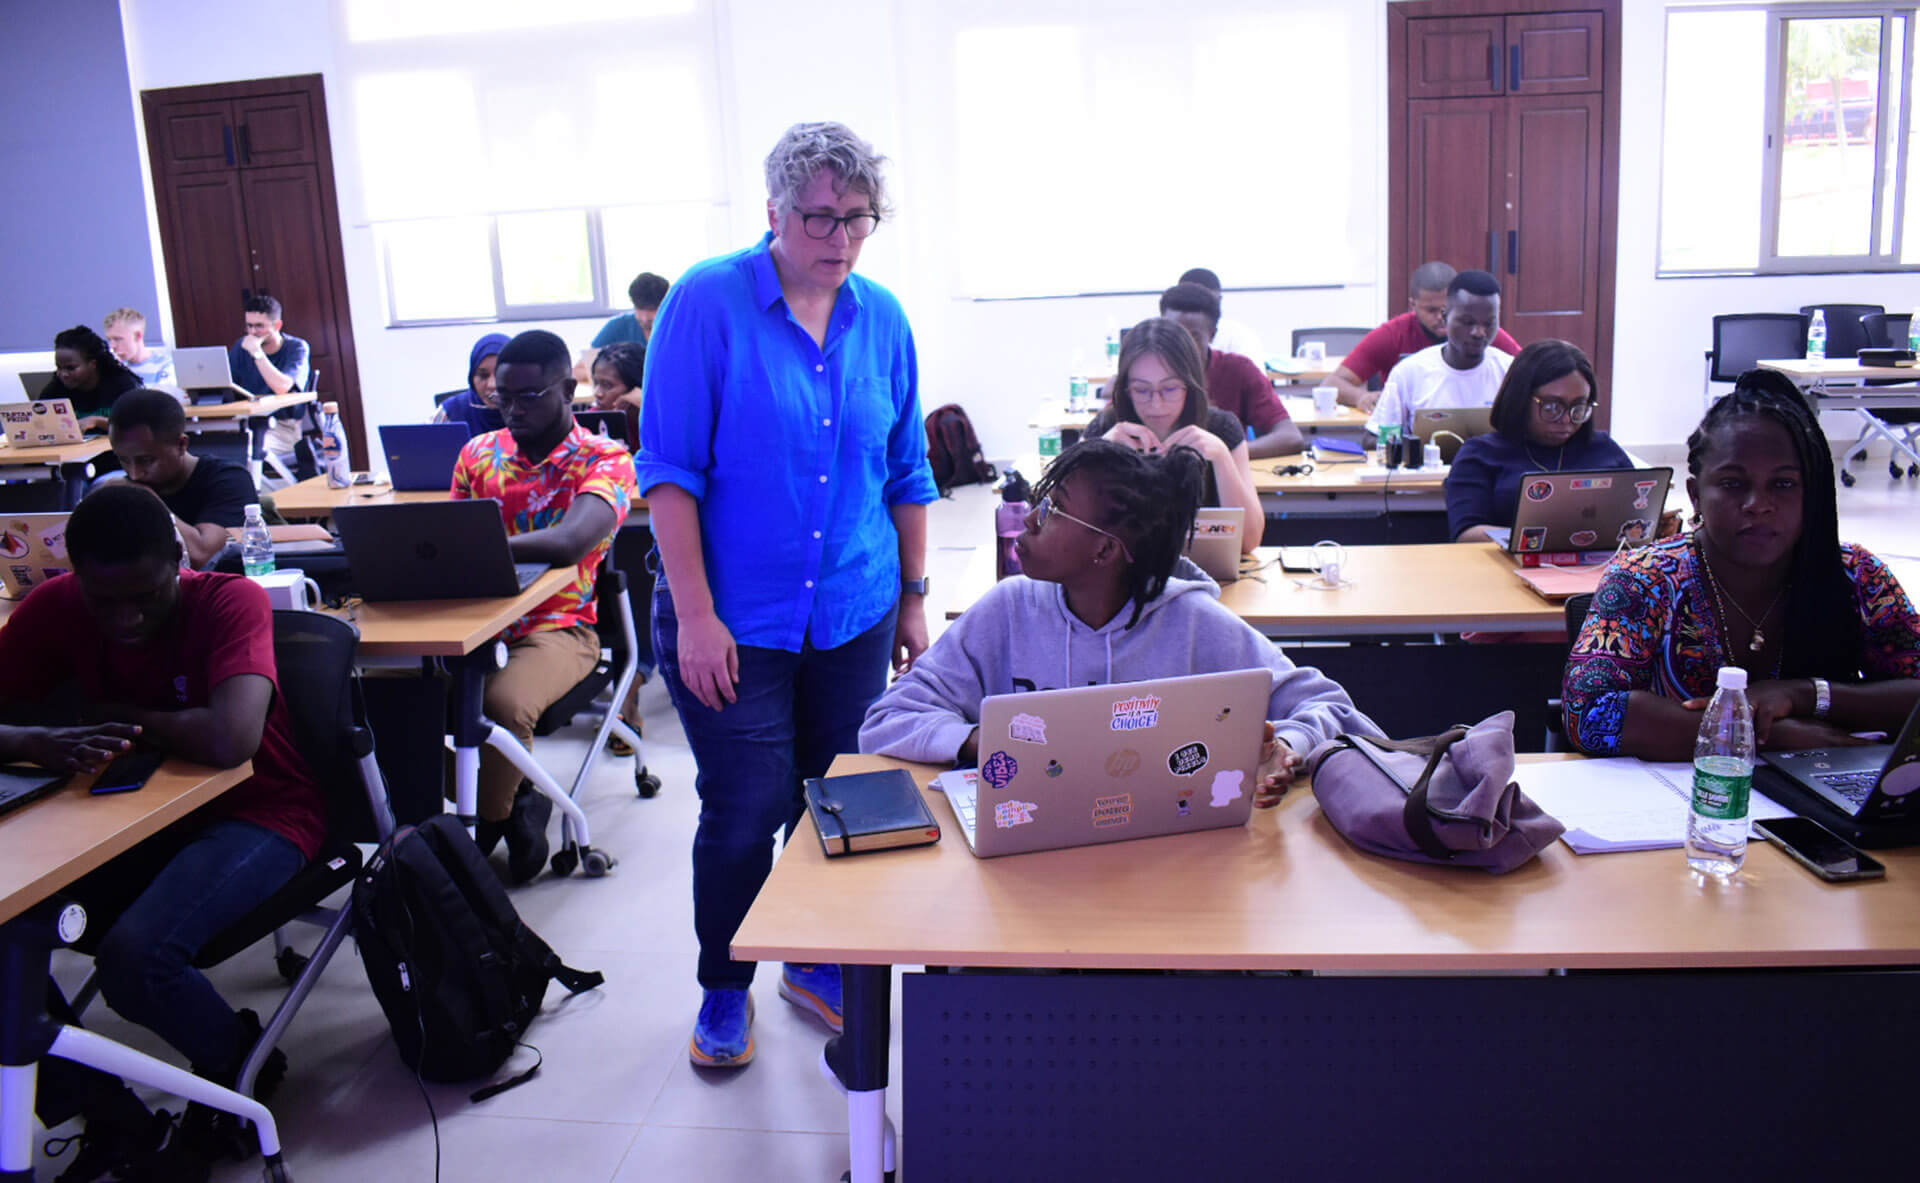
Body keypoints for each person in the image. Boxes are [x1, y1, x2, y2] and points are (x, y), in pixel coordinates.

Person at [637, 121, 937, 1069]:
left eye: (859, 218)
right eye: (819, 216)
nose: (840, 238)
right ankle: (725, 986)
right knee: (745, 803)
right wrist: (693, 615)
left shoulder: (881, 315)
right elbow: (669, 472)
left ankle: (814, 958)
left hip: (855, 604)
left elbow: (908, 470)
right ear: (773, 212)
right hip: (730, 617)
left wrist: (917, 598)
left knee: (835, 793)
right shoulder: (707, 303)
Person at [0, 482, 324, 1181]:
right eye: (104, 599)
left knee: (136, 957)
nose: (126, 616)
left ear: (177, 557)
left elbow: (233, 736)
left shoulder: (226, 599)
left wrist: (114, 711)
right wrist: (37, 737)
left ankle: (235, 1060)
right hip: (129, 821)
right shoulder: (54, 606)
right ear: (74, 576)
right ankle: (109, 1113)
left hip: (262, 812)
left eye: (146, 594)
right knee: (6, 943)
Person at [862, 440, 1380, 785]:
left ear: (1105, 551)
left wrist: (1286, 743)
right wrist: (979, 739)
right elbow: (886, 720)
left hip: (1170, 858)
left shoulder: (1196, 625)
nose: (1031, 521)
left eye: (1053, 509)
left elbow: (1331, 707)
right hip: (1031, 857)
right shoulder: (1008, 610)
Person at [1563, 370, 1920, 760]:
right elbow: (1591, 716)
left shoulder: (1857, 575)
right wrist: (1761, 739)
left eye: (1783, 484)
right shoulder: (1644, 580)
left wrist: (1803, 696)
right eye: (1733, 484)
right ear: (1696, 495)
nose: (1758, 505)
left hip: (1825, 805)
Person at [452, 329, 637, 884]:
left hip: (561, 628)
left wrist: (479, 542)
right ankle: (512, 803)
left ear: (566, 389)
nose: (511, 409)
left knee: (502, 706)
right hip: (477, 624)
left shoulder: (603, 457)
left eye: (528, 396)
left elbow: (569, 541)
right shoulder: (477, 454)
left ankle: (486, 826)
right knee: (401, 702)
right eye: (502, 396)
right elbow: (449, 538)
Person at [1086, 317, 1263, 555]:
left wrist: (1221, 458)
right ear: (1125, 389)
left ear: (1190, 385)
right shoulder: (1107, 429)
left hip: (1206, 581)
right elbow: (1067, 534)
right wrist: (1096, 455)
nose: (1156, 404)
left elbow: (1249, 541)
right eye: (1141, 390)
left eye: (1169, 388)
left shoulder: (1220, 428)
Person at [1446, 340, 1631, 543]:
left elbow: (1638, 513)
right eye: (1552, 407)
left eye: (1578, 407)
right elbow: (1467, 533)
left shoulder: (1603, 448)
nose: (1567, 420)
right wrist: (1542, 539)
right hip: (1505, 569)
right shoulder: (1480, 454)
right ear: (1521, 399)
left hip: (1597, 570)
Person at [1329, 261, 1523, 411]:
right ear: (1413, 306)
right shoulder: (1392, 334)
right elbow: (1332, 383)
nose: (1441, 317)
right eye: (1431, 310)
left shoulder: (1484, 335)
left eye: (1446, 310)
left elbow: (1532, 377)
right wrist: (1361, 397)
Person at [108, 389, 259, 568]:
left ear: (181, 445)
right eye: (123, 460)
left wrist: (145, 499)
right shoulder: (125, 489)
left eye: (146, 460)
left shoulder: (230, 480)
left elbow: (201, 556)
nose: (134, 473)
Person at [1158, 283, 1305, 459]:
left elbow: (1290, 437)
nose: (1180, 345)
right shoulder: (1143, 371)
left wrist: (1224, 454)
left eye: (1193, 337)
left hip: (1224, 476)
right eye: (1173, 334)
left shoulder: (1238, 370)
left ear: (1212, 335)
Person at [1365, 270, 1514, 439]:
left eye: (1489, 323)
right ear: (1445, 317)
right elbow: (1376, 439)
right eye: (1467, 322)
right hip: (1427, 464)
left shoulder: (1511, 372)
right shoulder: (1409, 373)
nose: (1479, 333)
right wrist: (1409, 449)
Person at [43, 326, 143, 432]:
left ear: (92, 364)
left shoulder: (122, 385)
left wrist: (97, 422)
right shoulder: (56, 389)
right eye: (59, 367)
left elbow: (139, 427)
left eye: (70, 368)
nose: (63, 374)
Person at [1177, 267, 1266, 365]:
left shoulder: (1240, 336)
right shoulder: (1162, 335)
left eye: (1207, 303)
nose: (1198, 309)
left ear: (1219, 300)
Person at [228, 295, 309, 398]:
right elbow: (227, 386)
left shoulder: (297, 347)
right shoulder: (241, 346)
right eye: (249, 325)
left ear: (277, 326)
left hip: (285, 413)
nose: (252, 332)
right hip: (250, 412)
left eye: (259, 326)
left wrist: (256, 352)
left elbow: (283, 388)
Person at [433, 332, 508, 434]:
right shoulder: (452, 411)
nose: (492, 385)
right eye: (483, 375)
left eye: (500, 374)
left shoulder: (530, 410)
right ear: (472, 377)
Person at [592, 272, 671, 347]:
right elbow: (587, 360)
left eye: (651, 310)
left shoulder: (675, 327)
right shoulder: (618, 325)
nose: (645, 318)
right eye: (639, 308)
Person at [103, 307, 175, 387]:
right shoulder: (115, 368)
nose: (112, 346)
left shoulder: (166, 365)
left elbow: (159, 398)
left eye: (118, 339)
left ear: (137, 336)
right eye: (109, 339)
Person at [590, 341, 647, 416]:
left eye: (607, 385)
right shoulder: (592, 418)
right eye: (596, 383)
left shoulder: (658, 421)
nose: (597, 394)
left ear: (635, 389)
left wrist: (646, 408)